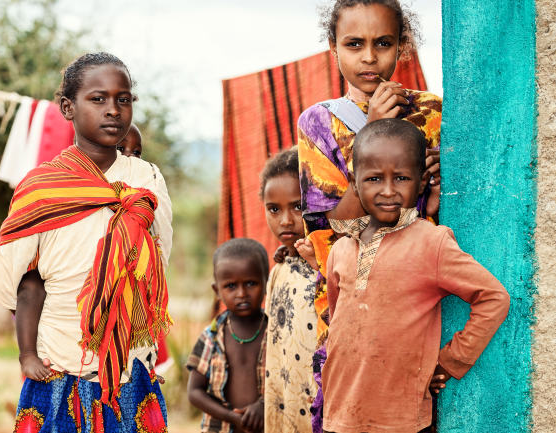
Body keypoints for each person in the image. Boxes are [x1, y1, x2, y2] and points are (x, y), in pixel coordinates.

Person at [0, 52, 173, 432]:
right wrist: (43, 338)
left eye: (123, 99)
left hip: (130, 367)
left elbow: (159, 259)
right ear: (68, 108)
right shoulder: (40, 188)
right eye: (98, 99)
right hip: (60, 369)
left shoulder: (147, 179)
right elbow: (6, 284)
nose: (114, 110)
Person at [297, 1, 442, 429]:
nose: (368, 57)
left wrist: (433, 186)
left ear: (402, 45)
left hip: (418, 302)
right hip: (351, 307)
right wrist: (371, 134)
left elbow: (446, 212)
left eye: (382, 43)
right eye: (354, 44)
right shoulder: (319, 123)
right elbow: (332, 227)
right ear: (333, 47)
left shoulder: (431, 114)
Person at [315, 119, 509, 432]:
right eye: (374, 178)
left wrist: (451, 360)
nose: (388, 191)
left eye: (401, 178)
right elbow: (338, 321)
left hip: (401, 420)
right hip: (341, 411)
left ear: (420, 183)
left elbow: (494, 297)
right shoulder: (340, 249)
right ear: (355, 182)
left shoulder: (431, 243)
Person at [258, 148, 319, 433]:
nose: (285, 220)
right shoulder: (278, 271)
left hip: (320, 406)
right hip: (285, 406)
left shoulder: (331, 266)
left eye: (297, 206)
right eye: (274, 209)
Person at [187, 238, 268, 433]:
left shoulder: (277, 333)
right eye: (231, 286)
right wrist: (231, 417)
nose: (241, 293)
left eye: (250, 283)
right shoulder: (210, 338)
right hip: (220, 428)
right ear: (217, 291)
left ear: (267, 283)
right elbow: (194, 392)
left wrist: (264, 405)